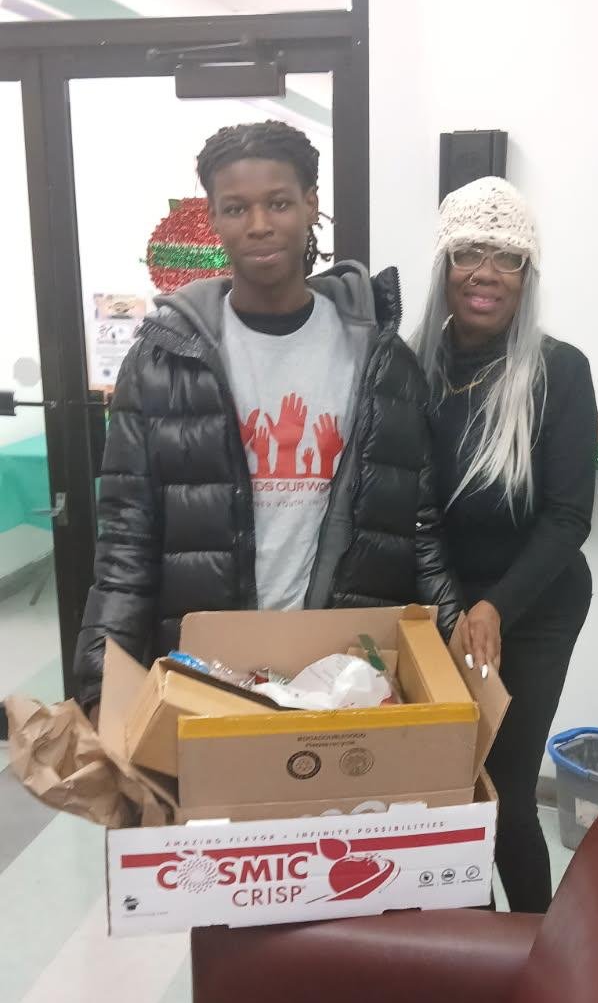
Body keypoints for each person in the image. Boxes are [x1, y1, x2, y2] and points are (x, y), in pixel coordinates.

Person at [75, 120, 460, 713]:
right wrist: (102, 690)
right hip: (207, 674)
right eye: (236, 208)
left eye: (278, 203)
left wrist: (455, 640)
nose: (258, 224)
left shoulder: (381, 361)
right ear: (213, 217)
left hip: (343, 673)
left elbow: (417, 523)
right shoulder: (161, 363)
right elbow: (126, 540)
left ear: (311, 204)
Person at [413, 177, 598, 912]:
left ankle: (531, 939)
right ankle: (469, 939)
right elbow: (412, 509)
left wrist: (494, 608)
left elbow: (568, 517)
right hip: (441, 599)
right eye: (468, 252)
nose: (485, 273)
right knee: (442, 785)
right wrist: (452, 609)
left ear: (528, 275)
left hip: (535, 604)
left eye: (507, 258)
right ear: (444, 265)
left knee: (505, 790)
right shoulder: (410, 369)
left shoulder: (560, 370)